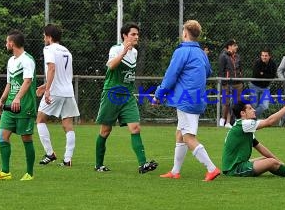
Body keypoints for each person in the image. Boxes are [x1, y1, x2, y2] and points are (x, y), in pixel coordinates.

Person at [154, 20, 221, 181]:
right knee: (180, 133)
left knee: (188, 137)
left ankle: (211, 168)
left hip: (185, 100)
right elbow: (208, 72)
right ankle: (175, 171)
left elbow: (171, 75)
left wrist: (158, 94)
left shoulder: (181, 52)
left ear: (185, 33)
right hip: (197, 98)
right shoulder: (201, 54)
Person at [94, 22, 158, 173]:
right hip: (112, 94)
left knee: (135, 128)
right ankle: (98, 165)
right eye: (133, 34)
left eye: (137, 34)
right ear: (124, 35)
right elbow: (111, 66)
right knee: (105, 131)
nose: (136, 37)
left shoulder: (135, 52)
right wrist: (123, 52)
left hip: (127, 96)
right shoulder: (116, 49)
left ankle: (143, 165)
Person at [221, 99, 285, 178]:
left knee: (270, 160)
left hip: (237, 166)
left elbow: (260, 147)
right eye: (250, 108)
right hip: (234, 169)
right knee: (271, 162)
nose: (254, 110)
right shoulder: (244, 124)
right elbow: (269, 121)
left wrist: (278, 161)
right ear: (243, 113)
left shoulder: (243, 126)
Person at [0, 30, 37, 181]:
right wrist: (2, 101)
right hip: (10, 105)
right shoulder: (11, 61)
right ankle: (5, 172)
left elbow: (27, 81)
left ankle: (29, 173)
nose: (5, 44)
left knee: (26, 138)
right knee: (2, 136)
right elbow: (9, 84)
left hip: (25, 106)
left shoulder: (27, 60)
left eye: (7, 41)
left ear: (12, 43)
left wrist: (17, 99)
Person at [35, 24, 80, 167]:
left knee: (40, 120)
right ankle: (67, 159)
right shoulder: (67, 51)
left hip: (55, 92)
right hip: (68, 91)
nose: (43, 38)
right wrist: (45, 85)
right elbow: (65, 74)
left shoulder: (48, 48)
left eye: (44, 35)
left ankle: (50, 153)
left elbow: (52, 68)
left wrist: (47, 90)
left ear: (49, 37)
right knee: (68, 125)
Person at [218, 39, 243, 128]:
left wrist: (240, 79)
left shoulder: (237, 56)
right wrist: (224, 82)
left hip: (237, 83)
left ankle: (230, 122)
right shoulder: (223, 56)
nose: (237, 47)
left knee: (236, 103)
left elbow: (240, 69)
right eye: (235, 45)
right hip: (227, 83)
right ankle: (222, 119)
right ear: (230, 46)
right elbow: (221, 71)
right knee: (226, 102)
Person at [249, 48, 277, 118]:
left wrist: (262, 73)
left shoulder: (273, 64)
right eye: (263, 55)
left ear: (269, 56)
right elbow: (256, 74)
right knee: (254, 105)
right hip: (255, 86)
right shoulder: (257, 63)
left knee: (265, 106)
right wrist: (266, 75)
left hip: (266, 87)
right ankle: (252, 120)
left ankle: (252, 117)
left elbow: (273, 76)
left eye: (266, 55)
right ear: (261, 56)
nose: (264, 57)